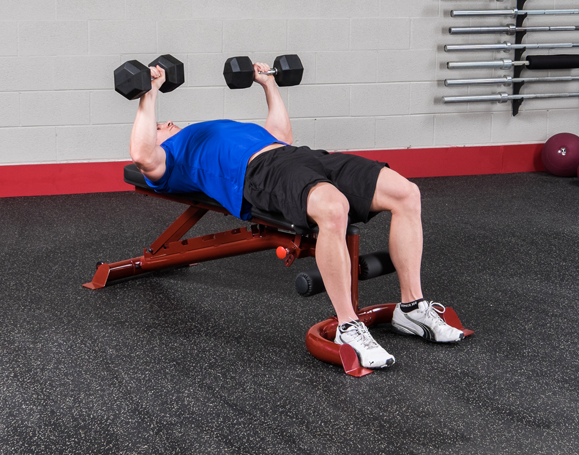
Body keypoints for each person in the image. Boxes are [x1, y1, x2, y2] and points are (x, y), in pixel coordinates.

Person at [130, 62, 465, 369]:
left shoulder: (207, 129)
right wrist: (149, 95)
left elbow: (282, 138)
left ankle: (412, 308)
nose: (165, 123)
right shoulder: (170, 159)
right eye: (159, 126)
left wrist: (268, 85)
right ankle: (348, 327)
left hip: (299, 156)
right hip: (259, 173)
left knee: (406, 193)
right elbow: (143, 154)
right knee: (334, 210)